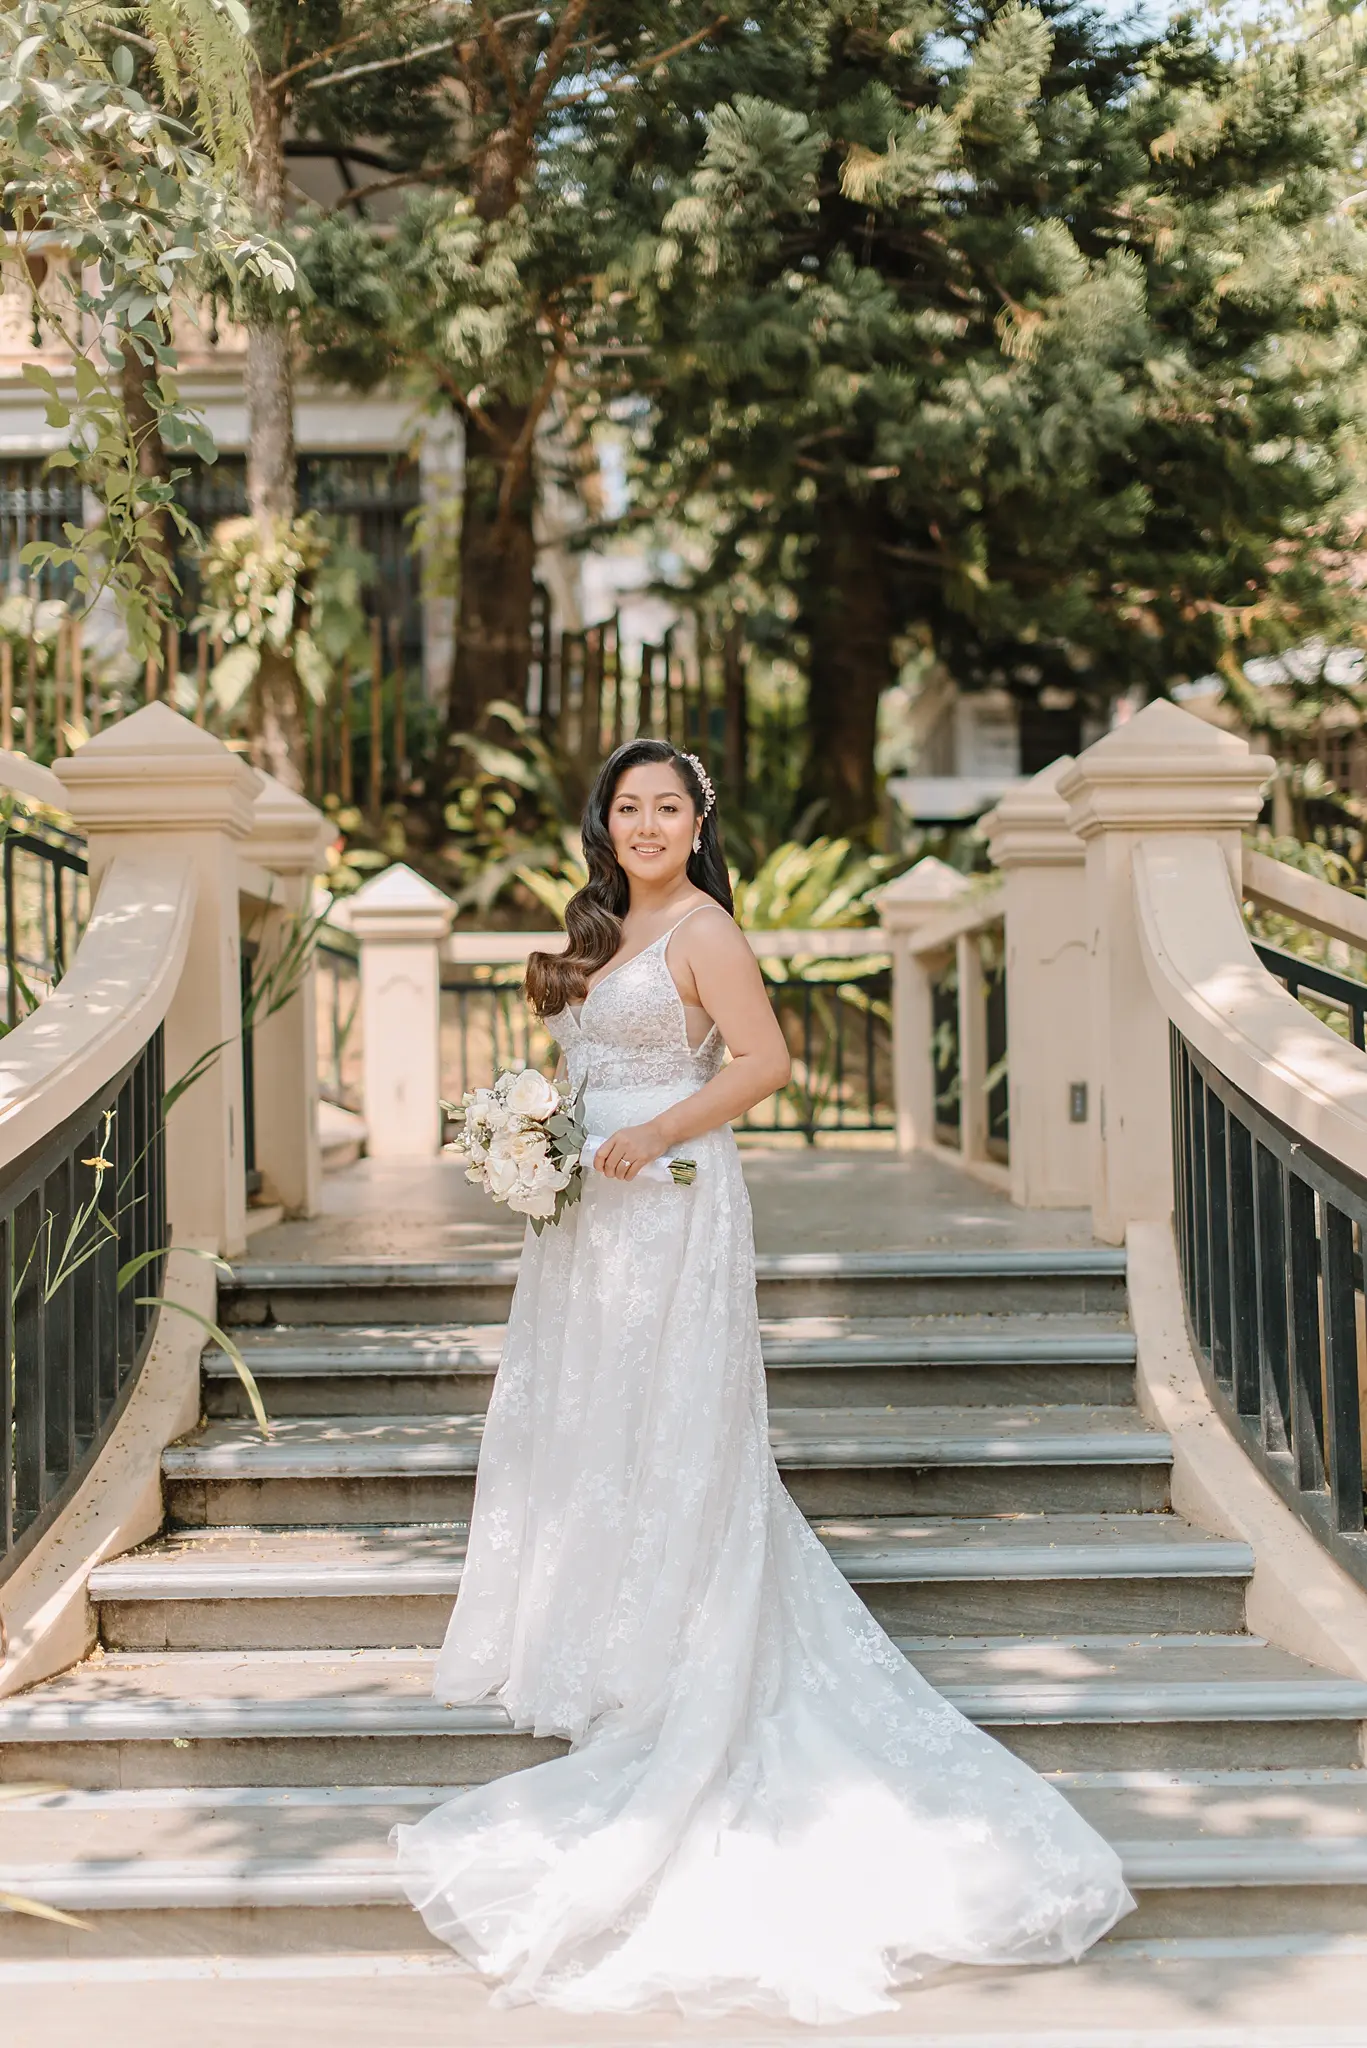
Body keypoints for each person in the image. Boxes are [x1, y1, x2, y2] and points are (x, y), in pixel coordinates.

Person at [393, 740, 1132, 2019]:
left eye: (664, 807)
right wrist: (530, 1133)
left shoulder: (705, 926)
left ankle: (671, 1635)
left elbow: (763, 1060)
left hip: (669, 1196)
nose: (644, 825)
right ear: (603, 820)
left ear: (696, 820)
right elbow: (577, 1066)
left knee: (668, 1419)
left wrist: (653, 1129)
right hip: (584, 1212)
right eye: (625, 808)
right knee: (589, 1416)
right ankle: (584, 1622)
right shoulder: (600, 927)